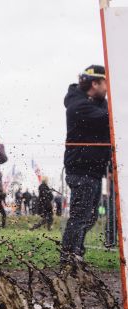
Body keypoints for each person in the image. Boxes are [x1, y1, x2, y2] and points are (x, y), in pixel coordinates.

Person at [61, 65, 110, 265]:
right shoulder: (79, 105)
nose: (108, 88)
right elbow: (109, 120)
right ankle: (68, 256)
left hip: (95, 170)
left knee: (88, 217)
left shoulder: (99, 103)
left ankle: (75, 253)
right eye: (106, 82)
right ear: (95, 83)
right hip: (81, 169)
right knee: (80, 216)